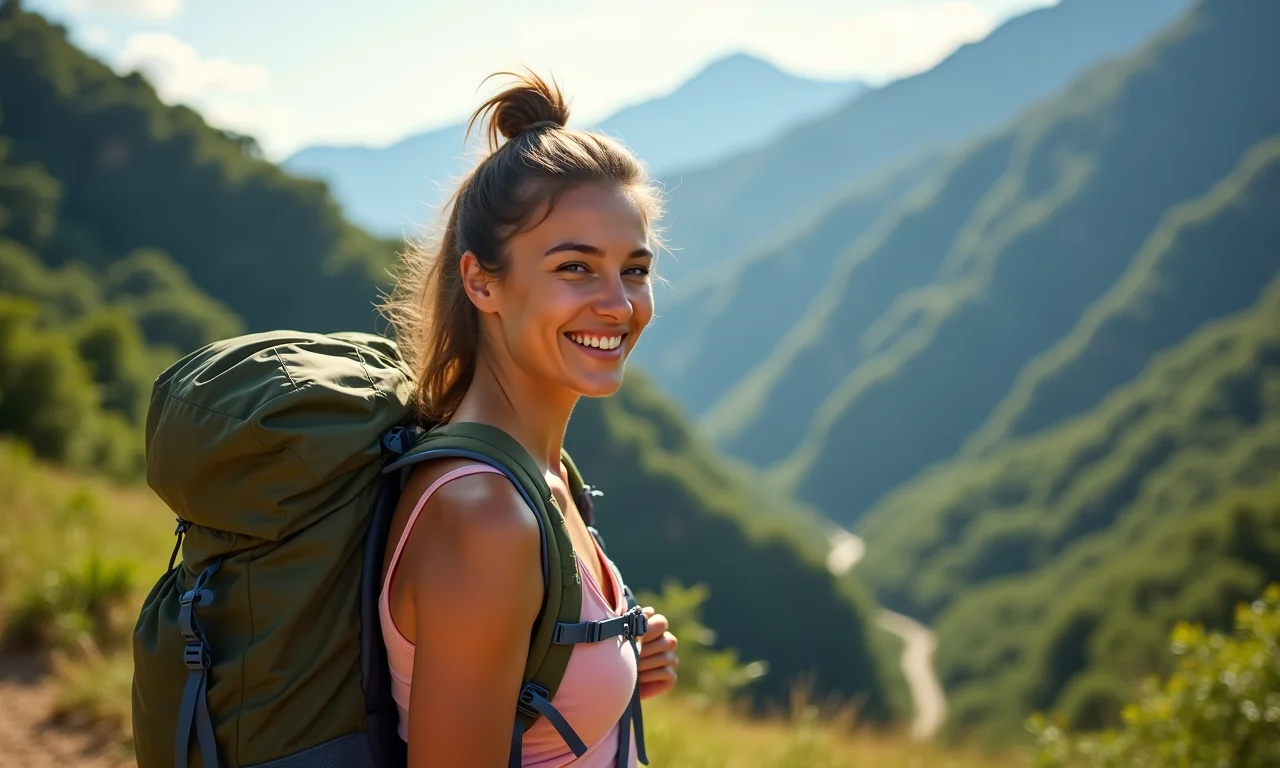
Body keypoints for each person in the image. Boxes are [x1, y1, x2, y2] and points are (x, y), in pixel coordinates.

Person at [376, 70, 680, 767]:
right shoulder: (486, 515)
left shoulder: (541, 477)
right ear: (482, 281)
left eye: (634, 270)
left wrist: (621, 657)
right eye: (576, 268)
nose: (618, 304)